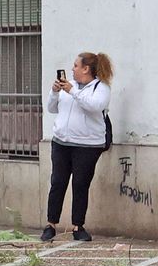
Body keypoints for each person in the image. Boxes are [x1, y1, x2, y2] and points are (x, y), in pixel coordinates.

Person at [43, 52, 113, 243]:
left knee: (80, 184)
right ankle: (50, 225)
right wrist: (55, 92)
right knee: (58, 182)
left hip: (87, 145)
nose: (72, 69)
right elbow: (52, 108)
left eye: (75, 65)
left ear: (86, 69)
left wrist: (72, 91)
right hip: (61, 143)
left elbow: (94, 106)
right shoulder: (68, 87)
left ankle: (78, 226)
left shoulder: (101, 88)